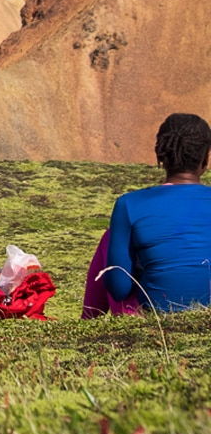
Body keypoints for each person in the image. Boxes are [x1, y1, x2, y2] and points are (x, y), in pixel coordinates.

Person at [87, 113, 211, 315]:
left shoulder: (130, 204)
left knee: (110, 238)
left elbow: (119, 289)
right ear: (205, 158)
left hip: (153, 317)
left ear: (161, 156)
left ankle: (88, 320)